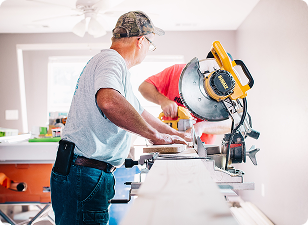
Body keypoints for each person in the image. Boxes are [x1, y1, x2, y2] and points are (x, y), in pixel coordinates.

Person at [50, 11, 187, 225]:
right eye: (151, 45)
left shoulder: (114, 67)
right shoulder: (111, 60)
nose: (148, 51)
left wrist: (173, 134)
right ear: (141, 41)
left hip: (84, 173)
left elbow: (140, 112)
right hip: (84, 174)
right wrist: (155, 136)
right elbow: (109, 102)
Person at [138, 55, 232, 144]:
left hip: (201, 146)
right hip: (169, 141)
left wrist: (201, 127)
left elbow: (231, 123)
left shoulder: (228, 92)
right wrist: (162, 100)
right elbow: (144, 87)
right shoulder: (178, 71)